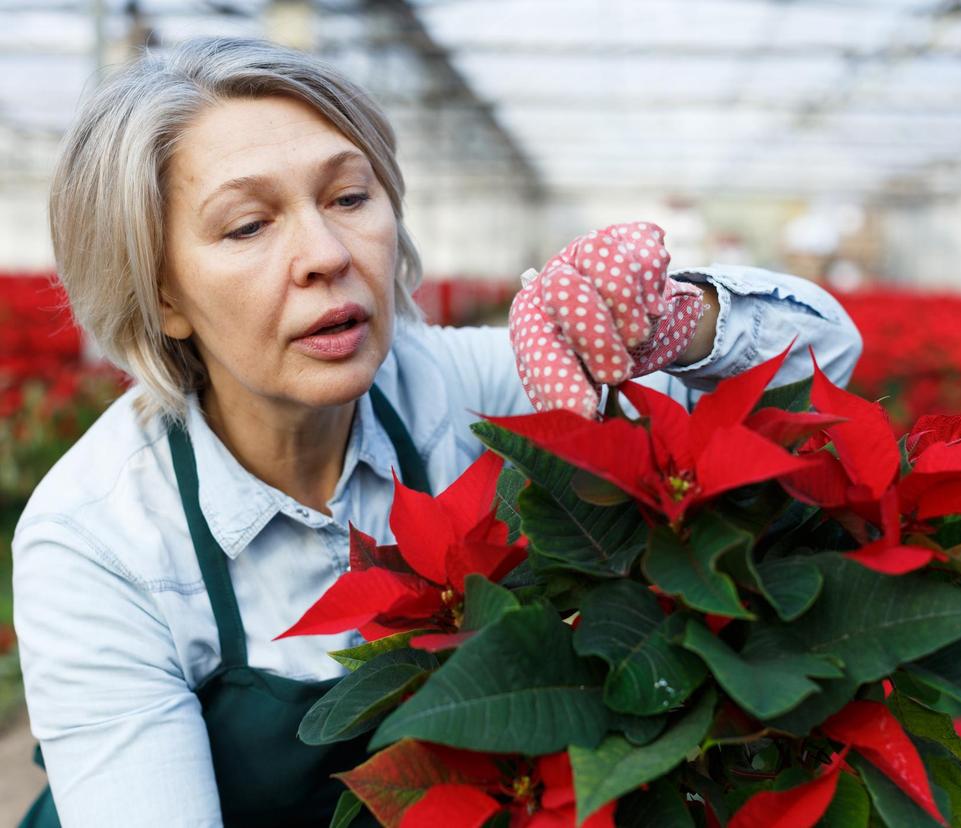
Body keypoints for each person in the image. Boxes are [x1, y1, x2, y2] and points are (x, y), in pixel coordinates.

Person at [12, 37, 862, 828]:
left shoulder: (458, 386)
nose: (326, 252)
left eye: (349, 197)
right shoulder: (97, 540)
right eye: (248, 225)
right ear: (161, 295)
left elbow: (825, 356)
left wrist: (667, 321)